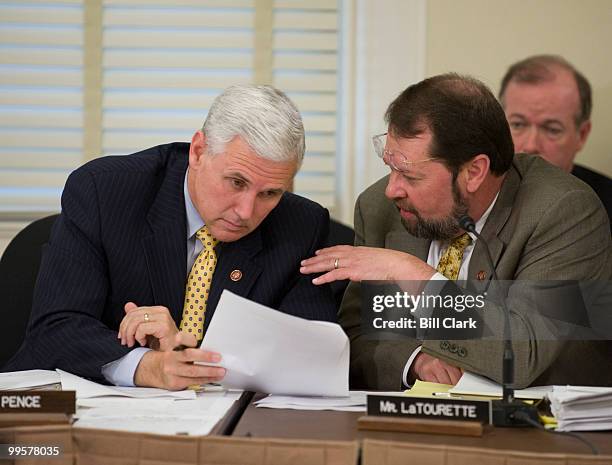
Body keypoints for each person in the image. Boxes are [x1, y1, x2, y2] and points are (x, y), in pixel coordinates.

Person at [5, 85, 337, 390]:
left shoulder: (300, 225)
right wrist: (147, 366)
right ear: (197, 151)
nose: (246, 211)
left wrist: (191, 351)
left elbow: (309, 359)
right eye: (236, 182)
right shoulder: (104, 193)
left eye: (270, 192)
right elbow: (55, 327)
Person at [301, 73, 612, 390]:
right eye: (390, 168)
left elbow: (523, 353)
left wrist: (415, 276)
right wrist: (415, 362)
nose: (392, 189)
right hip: (416, 420)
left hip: (544, 429)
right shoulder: (380, 210)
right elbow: (357, 335)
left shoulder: (563, 211)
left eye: (410, 175)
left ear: (474, 172)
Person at [499, 55, 612, 229]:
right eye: (518, 125)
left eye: (552, 129)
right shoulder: (470, 194)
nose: (531, 145)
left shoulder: (605, 207)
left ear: (581, 135)